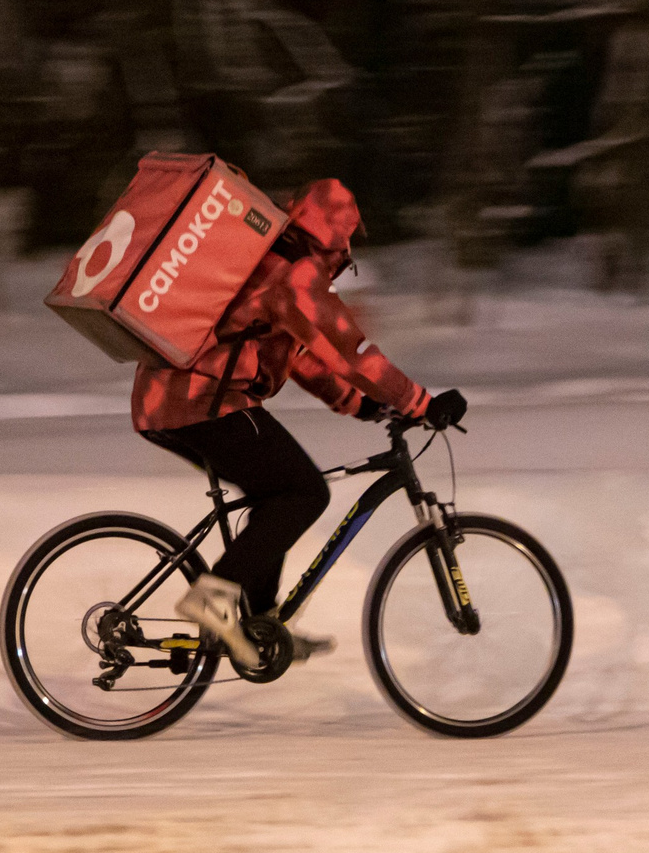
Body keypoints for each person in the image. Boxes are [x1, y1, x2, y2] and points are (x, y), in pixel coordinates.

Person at [135, 177, 466, 670]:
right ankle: (214, 598)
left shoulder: (271, 263)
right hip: (200, 402)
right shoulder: (292, 275)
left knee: (280, 494)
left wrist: (364, 405)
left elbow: (304, 358)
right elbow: (348, 349)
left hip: (177, 402)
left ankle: (260, 622)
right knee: (305, 492)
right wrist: (419, 401)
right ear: (338, 237)